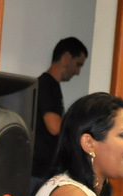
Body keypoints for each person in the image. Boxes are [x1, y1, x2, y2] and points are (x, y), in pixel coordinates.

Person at [32, 37, 88, 180]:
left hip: (43, 170)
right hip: (39, 171)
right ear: (66, 57)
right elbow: (54, 127)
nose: (78, 72)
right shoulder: (46, 84)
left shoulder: (51, 85)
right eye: (78, 64)